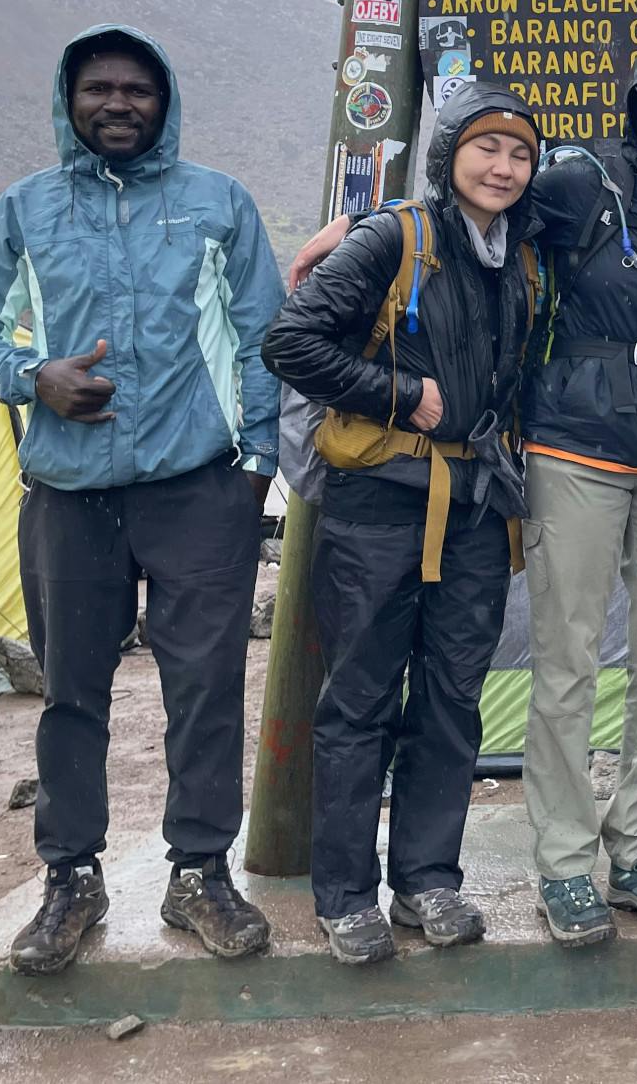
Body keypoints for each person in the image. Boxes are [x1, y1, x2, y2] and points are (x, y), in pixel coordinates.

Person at [287, 45, 637, 948]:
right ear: (634, 112)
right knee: (567, 660)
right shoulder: (576, 188)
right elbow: (469, 215)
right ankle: (568, 862)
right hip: (573, 447)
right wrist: (361, 226)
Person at [0, 24, 281, 976]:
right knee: (70, 696)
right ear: (70, 99)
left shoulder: (217, 205)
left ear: (164, 101)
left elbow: (265, 339)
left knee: (206, 690)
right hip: (69, 495)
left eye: (138, 89)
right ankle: (71, 881)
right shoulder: (23, 212)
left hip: (199, 492)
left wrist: (254, 465)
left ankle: (200, 874)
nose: (119, 103)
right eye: (100, 88)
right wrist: (32, 376)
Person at [262, 82, 540, 965]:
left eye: (520, 154)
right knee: (360, 697)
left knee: (454, 700)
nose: (502, 167)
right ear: (448, 151)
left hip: (475, 507)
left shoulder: (523, 257)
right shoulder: (394, 237)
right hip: (379, 503)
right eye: (486, 147)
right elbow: (291, 342)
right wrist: (399, 393)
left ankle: (427, 880)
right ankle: (344, 895)